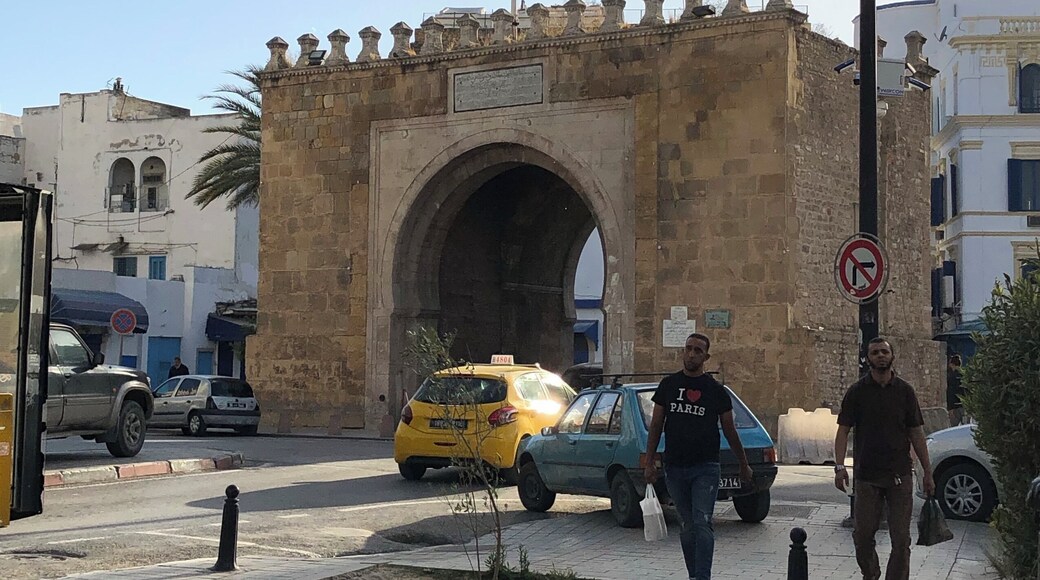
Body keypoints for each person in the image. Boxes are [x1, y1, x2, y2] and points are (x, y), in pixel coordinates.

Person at [644, 333, 752, 580]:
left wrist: (743, 464)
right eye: (688, 349)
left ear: (706, 357)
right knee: (687, 524)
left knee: (702, 521)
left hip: (706, 467)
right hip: (675, 467)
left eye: (697, 351)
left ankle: (702, 577)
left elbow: (729, 430)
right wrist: (649, 462)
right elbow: (656, 424)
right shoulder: (668, 386)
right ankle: (693, 574)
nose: (691, 354)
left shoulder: (715, 391)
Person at [834, 337, 935, 580]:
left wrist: (928, 472)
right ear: (868, 358)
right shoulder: (857, 392)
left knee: (901, 540)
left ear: (892, 357)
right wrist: (839, 467)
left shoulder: (905, 392)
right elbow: (843, 430)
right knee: (862, 536)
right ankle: (871, 574)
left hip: (899, 475)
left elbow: (916, 433)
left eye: (884, 352)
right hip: (867, 476)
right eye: (875, 352)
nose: (880, 356)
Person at [946, 354, 966, 427]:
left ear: (952, 364)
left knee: (953, 428)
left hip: (955, 407)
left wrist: (950, 408)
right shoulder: (965, 375)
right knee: (966, 427)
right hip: (965, 406)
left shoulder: (951, 377)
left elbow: (951, 393)